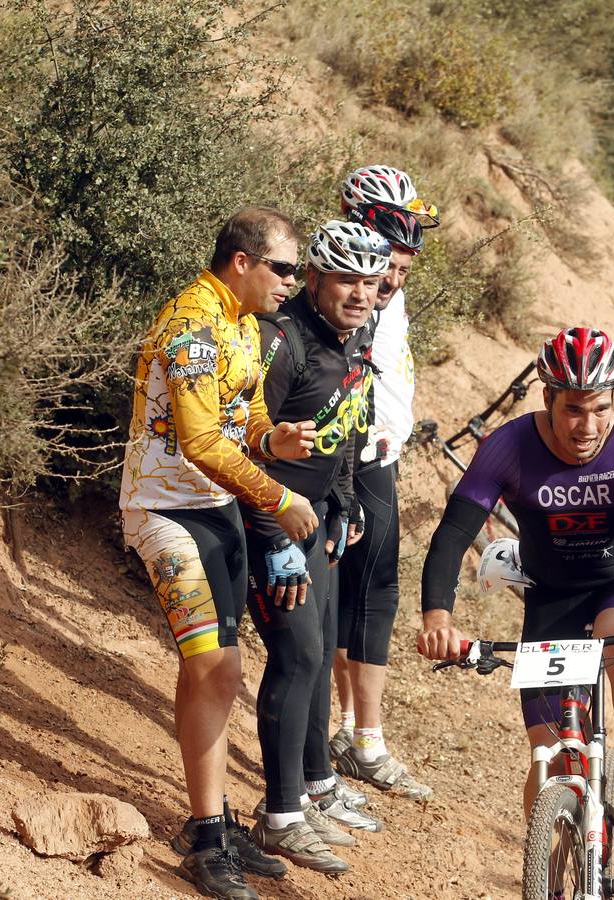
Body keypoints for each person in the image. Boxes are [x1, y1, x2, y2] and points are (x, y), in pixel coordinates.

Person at [417, 327, 614, 857]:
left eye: (601, 409)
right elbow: (451, 537)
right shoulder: (508, 448)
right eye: (574, 410)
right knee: (548, 756)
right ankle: (553, 867)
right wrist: (437, 619)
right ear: (547, 398)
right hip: (552, 595)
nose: (588, 426)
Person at [119, 206, 320, 900]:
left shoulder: (242, 322)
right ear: (243, 262)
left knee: (221, 670)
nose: (293, 282)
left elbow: (246, 419)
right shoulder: (191, 326)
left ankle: (213, 820)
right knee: (212, 666)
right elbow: (203, 441)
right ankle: (207, 836)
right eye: (285, 268)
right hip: (163, 508)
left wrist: (275, 441)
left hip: (213, 510)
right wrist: (278, 497)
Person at [241, 220, 391, 874]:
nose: (360, 294)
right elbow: (246, 444)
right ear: (314, 277)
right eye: (345, 280)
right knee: (297, 657)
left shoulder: (353, 336)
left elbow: (348, 428)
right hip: (270, 524)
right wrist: (273, 540)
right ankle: (280, 817)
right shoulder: (282, 341)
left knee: (318, 645)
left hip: (322, 519)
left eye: (371, 281)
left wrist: (348, 504)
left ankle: (317, 785)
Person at [330, 186, 436, 801]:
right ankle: (360, 738)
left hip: (378, 454)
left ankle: (351, 730)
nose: (395, 273)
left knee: (360, 593)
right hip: (357, 457)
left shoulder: (385, 294)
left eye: (404, 263)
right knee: (367, 592)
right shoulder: (356, 297)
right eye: (392, 255)